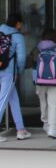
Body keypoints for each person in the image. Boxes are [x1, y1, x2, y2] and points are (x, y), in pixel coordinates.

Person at [0, 13, 32, 142]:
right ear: (18, 24)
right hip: (8, 71)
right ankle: (20, 130)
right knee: (2, 100)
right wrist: (19, 70)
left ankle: (21, 129)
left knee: (13, 99)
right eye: (21, 23)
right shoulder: (17, 36)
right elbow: (21, 58)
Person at [32, 28, 56, 139]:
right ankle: (52, 129)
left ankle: (45, 123)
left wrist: (35, 80)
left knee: (43, 102)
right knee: (53, 103)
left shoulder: (38, 49)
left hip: (40, 81)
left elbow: (34, 66)